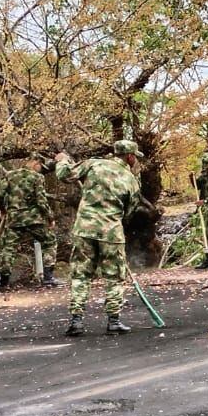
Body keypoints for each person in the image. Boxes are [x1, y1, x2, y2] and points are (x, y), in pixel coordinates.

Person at [54, 139, 143, 336]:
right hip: (111, 232)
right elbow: (130, 211)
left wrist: (61, 160)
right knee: (114, 277)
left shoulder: (93, 164)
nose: (135, 160)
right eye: (135, 156)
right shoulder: (131, 180)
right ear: (129, 156)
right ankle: (113, 321)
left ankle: (76, 320)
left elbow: (64, 174)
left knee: (80, 274)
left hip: (84, 230)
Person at [0, 152, 57, 287]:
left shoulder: (10, 175)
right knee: (50, 242)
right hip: (34, 220)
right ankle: (48, 278)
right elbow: (41, 200)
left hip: (14, 219)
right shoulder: (37, 177)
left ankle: (3, 283)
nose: (41, 169)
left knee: (8, 248)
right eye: (41, 166)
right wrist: (50, 217)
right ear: (36, 163)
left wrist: (3, 210)